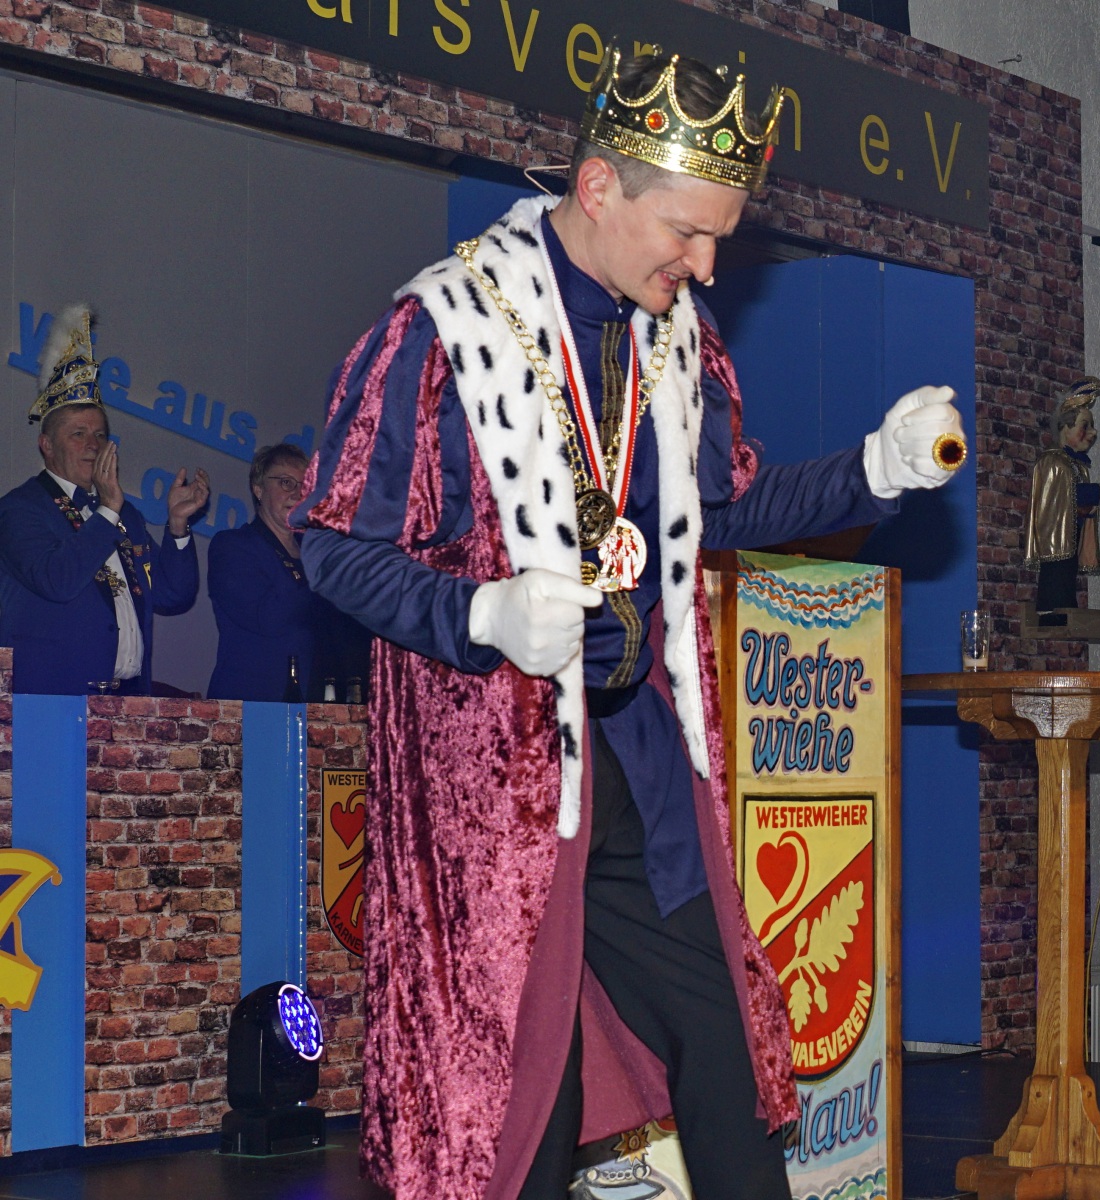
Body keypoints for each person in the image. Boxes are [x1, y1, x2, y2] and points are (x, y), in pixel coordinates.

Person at [292, 46, 965, 1200]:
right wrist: (481, 612)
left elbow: (725, 505)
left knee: (731, 1056)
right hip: (501, 794)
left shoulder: (676, 339)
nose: (705, 267)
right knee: (523, 1111)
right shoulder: (442, 330)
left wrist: (873, 471)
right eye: (689, 233)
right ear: (599, 187)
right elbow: (330, 544)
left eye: (721, 240)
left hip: (640, 763)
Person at [0, 305, 207, 696]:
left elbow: (173, 595)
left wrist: (178, 526)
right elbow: (57, 581)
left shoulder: (125, 514)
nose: (92, 445)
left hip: (127, 701)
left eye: (99, 435)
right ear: (46, 445)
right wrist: (108, 511)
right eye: (78, 434)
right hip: (52, 700)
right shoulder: (19, 510)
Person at [206, 442, 336, 701]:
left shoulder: (316, 555)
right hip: (250, 706)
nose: (297, 494)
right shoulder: (233, 546)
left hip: (316, 707)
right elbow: (268, 617)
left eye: (305, 487)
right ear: (258, 489)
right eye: (286, 483)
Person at [1024, 375, 1100, 616]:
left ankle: (1062, 610)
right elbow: (1066, 497)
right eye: (1085, 426)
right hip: (1056, 541)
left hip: (1070, 538)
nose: (1092, 432)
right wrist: (1097, 491)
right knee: (1056, 581)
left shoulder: (1073, 465)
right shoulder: (1053, 462)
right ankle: (1052, 611)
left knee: (1067, 581)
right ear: (1066, 428)